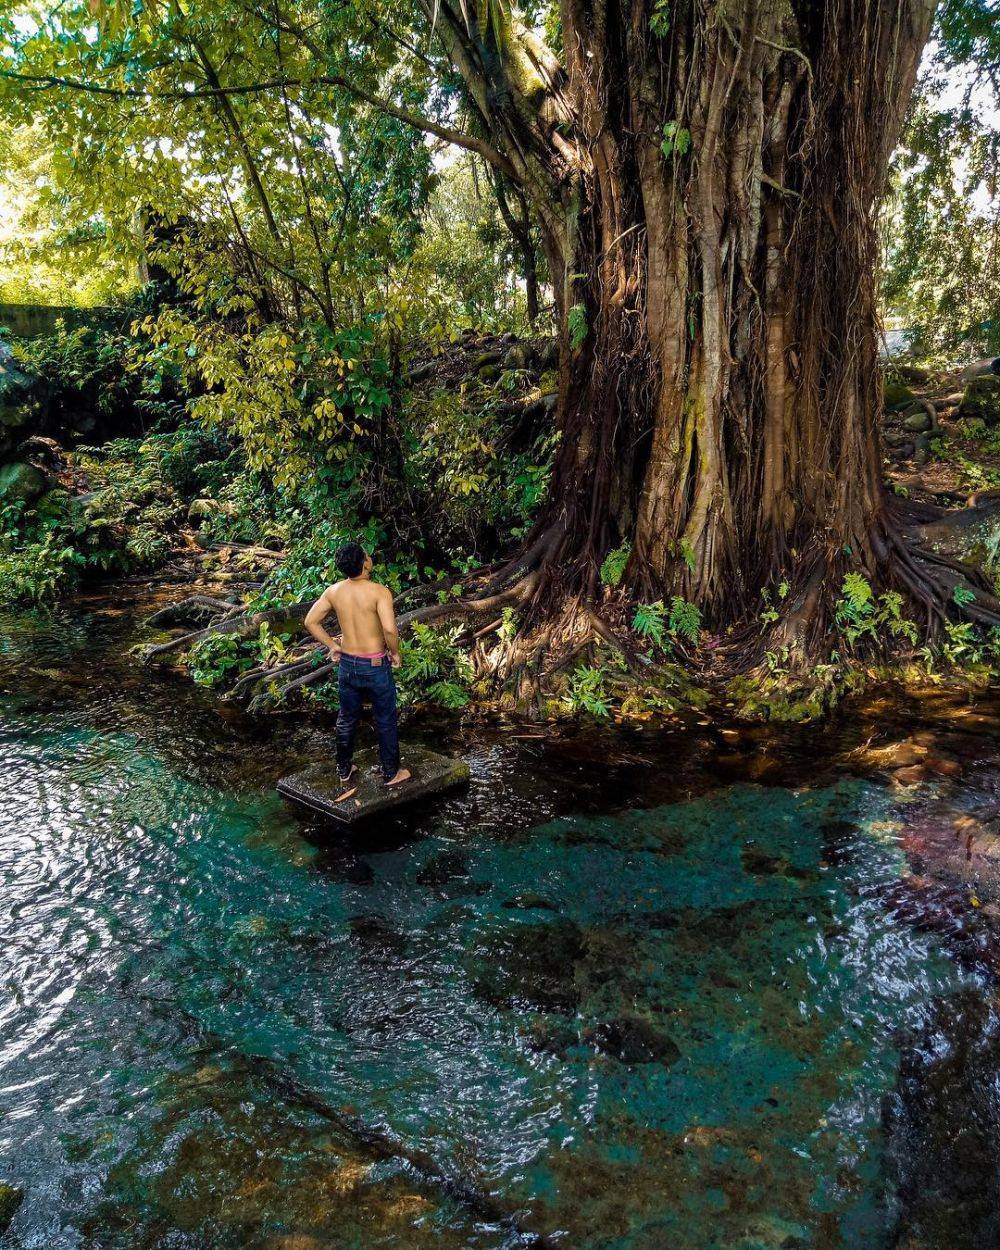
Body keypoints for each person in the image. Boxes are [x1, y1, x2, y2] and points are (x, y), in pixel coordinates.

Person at [304, 542, 410, 789]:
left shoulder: (334, 591)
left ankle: (344, 769)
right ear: (364, 563)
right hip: (375, 664)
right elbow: (389, 629)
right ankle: (391, 773)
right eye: (366, 554)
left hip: (348, 665)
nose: (369, 556)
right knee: (385, 718)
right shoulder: (379, 592)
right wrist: (395, 652)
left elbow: (310, 621)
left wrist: (333, 645)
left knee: (347, 718)